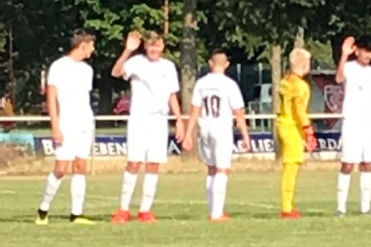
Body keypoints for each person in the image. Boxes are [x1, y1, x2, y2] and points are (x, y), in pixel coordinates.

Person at [110, 30, 184, 223]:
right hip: (139, 118)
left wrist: (178, 120)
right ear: (145, 47)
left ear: (162, 47)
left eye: (157, 45)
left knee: (153, 164)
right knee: (134, 162)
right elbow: (116, 72)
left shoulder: (168, 66)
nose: (154, 49)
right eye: (151, 45)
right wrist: (127, 50)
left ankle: (145, 210)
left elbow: (172, 95)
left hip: (159, 120)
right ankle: (123, 209)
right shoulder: (136, 62)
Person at [35, 30, 96, 225]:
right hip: (66, 122)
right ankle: (44, 208)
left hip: (85, 122)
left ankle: (76, 213)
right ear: (82, 46)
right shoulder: (59, 66)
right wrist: (55, 125)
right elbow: (51, 97)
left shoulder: (87, 70)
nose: (93, 50)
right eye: (91, 46)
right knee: (61, 168)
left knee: (81, 166)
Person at [181, 50, 250, 221]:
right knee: (222, 169)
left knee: (211, 169)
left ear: (210, 63)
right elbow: (238, 112)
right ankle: (217, 213)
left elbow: (195, 110)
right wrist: (245, 135)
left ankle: (213, 209)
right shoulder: (229, 84)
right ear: (226, 65)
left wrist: (188, 134)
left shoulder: (201, 83)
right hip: (221, 128)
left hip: (205, 128)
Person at [336, 35, 371, 216]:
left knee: (367, 164)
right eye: (365, 51)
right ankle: (341, 207)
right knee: (348, 164)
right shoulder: (349, 67)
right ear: (357, 51)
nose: (368, 55)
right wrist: (344, 55)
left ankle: (366, 207)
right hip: (352, 120)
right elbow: (339, 78)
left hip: (369, 122)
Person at [275, 47, 317, 219]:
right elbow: (299, 109)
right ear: (302, 63)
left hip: (283, 123)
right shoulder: (300, 85)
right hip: (291, 126)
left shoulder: (286, 81)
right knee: (291, 166)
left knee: (291, 166)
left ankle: (289, 204)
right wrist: (308, 129)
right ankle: (286, 207)